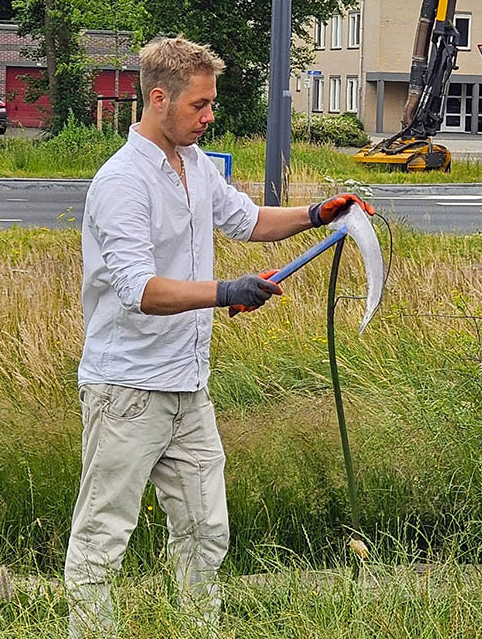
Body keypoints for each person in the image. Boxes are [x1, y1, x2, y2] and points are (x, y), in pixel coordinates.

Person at [65, 36, 373, 637]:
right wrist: (227, 292)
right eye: (199, 105)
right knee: (103, 538)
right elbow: (140, 290)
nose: (210, 116)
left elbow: (248, 220)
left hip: (188, 387)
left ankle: (198, 628)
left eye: (210, 104)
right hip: (127, 390)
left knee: (207, 533)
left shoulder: (195, 165)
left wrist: (318, 215)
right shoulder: (122, 182)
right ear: (159, 99)